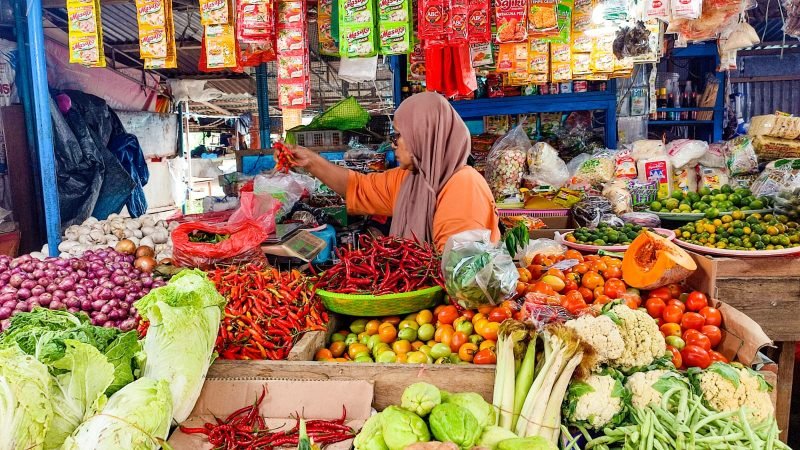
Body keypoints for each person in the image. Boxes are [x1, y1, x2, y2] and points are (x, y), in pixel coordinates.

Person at [288, 92, 500, 251]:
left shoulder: (463, 184)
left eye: (398, 135)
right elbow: (359, 187)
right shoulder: (412, 179)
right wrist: (311, 161)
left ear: (423, 135)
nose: (393, 144)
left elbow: (457, 266)